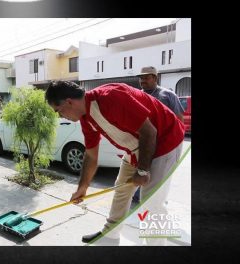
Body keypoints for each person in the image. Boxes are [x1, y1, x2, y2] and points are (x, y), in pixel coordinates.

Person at [45, 81, 184, 244]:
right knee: (122, 189)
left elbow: (149, 131)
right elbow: (91, 155)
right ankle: (110, 234)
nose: (61, 116)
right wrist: (82, 188)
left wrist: (142, 171)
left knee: (151, 202)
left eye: (59, 111)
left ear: (69, 102)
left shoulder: (110, 98)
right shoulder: (86, 119)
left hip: (165, 140)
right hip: (138, 146)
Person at [132, 66, 185, 204]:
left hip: (165, 144)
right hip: (144, 143)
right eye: (141, 78)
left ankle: (157, 200)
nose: (142, 80)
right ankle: (141, 198)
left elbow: (179, 120)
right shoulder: (137, 95)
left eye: (146, 77)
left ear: (155, 78)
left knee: (160, 177)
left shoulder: (167, 95)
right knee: (142, 170)